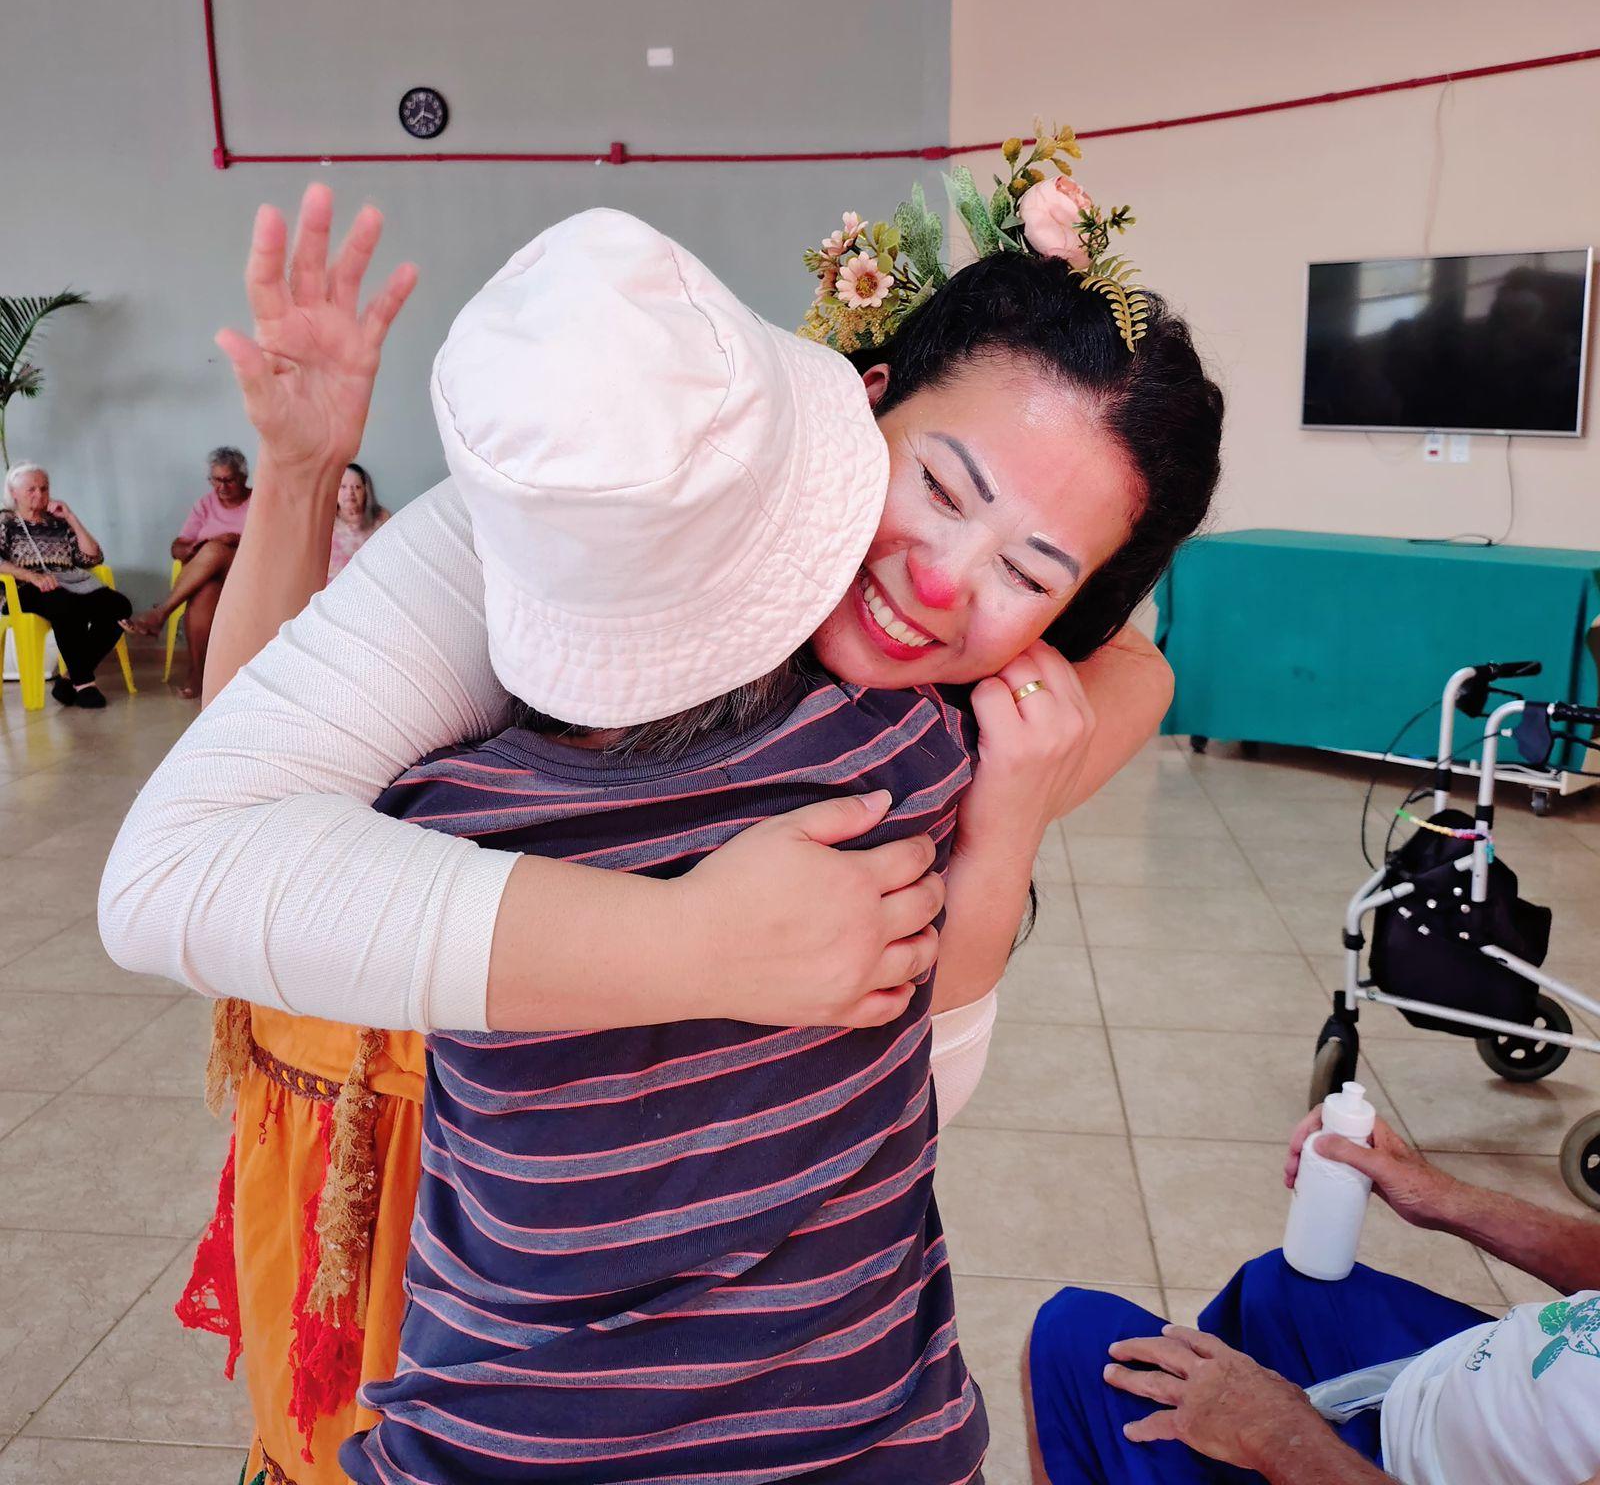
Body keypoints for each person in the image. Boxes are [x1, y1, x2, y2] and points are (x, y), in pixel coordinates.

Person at [101, 169, 1223, 1479]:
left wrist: (1010, 806)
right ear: (866, 404)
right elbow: (231, 795)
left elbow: (1128, 681)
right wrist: (693, 935)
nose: (937, 581)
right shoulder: (575, 517)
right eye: (942, 488)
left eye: (1031, 570)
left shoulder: (924, 728)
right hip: (427, 1164)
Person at [1028, 1104, 1600, 1485]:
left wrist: (1280, 1438)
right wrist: (1441, 1197)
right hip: (1465, 1378)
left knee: (1075, 1337)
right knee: (1275, 1285)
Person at [123, 444, 253, 696]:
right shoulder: (205, 504)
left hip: (245, 573)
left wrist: (231, 540)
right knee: (204, 591)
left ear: (244, 478)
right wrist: (194, 549)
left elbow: (268, 543)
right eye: (216, 481)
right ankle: (197, 672)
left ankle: (160, 614)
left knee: (216, 550)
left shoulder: (258, 502)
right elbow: (178, 545)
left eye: (229, 480)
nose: (221, 488)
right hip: (208, 577)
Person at [0, 461, 131, 707]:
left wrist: (70, 517)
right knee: (64, 604)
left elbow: (93, 557)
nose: (39, 494)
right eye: (31, 489)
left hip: (69, 585)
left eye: (44, 488)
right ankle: (84, 684)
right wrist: (31, 576)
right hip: (23, 590)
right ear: (13, 493)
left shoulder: (58, 522)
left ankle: (69, 678)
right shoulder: (5, 522)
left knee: (119, 607)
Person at [328, 461, 388, 577]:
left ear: (366, 491)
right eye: (343, 487)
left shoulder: (381, 518)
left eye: (357, 487)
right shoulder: (325, 522)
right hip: (333, 589)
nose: (350, 493)